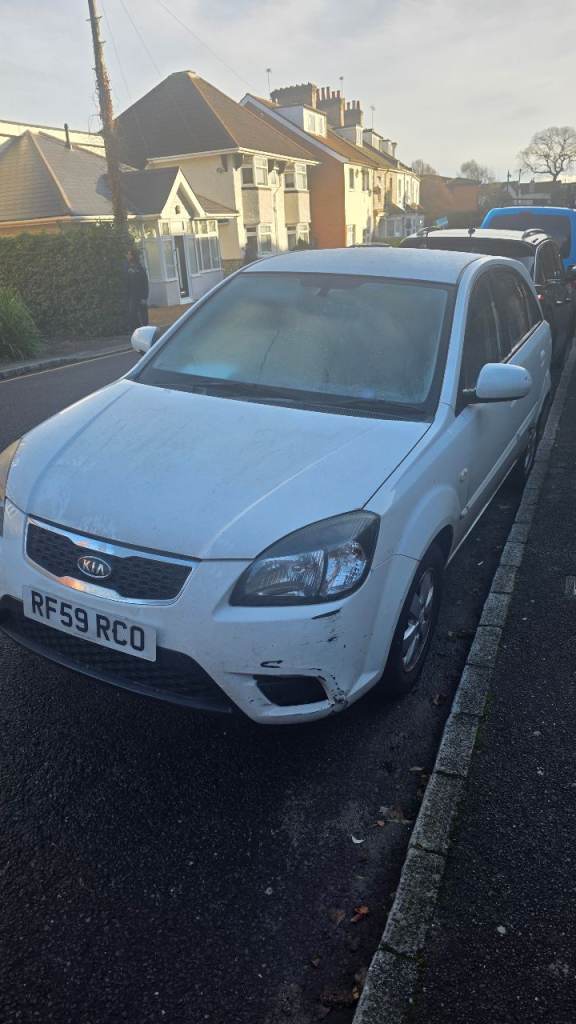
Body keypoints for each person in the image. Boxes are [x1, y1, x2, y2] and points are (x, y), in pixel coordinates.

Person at [125, 248, 149, 332]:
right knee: (132, 314)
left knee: (143, 314)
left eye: (129, 254)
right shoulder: (127, 267)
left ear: (133, 256)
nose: (127, 256)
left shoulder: (140, 268)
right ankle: (135, 330)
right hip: (132, 295)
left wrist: (144, 297)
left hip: (140, 295)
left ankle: (145, 330)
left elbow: (145, 283)